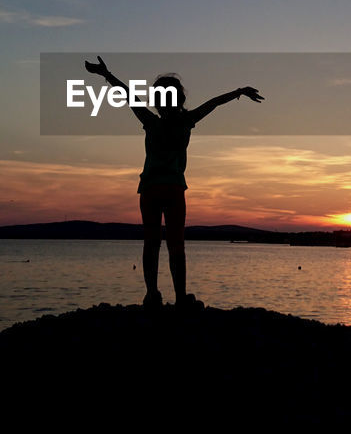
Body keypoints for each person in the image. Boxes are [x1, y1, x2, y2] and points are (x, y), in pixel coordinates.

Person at [83, 55, 263, 310]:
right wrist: (240, 91)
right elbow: (214, 103)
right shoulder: (186, 121)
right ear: (179, 99)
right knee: (176, 243)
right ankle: (180, 298)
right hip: (174, 188)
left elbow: (125, 93)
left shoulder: (151, 121)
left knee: (151, 243)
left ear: (158, 101)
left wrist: (105, 74)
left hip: (150, 189)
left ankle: (152, 295)